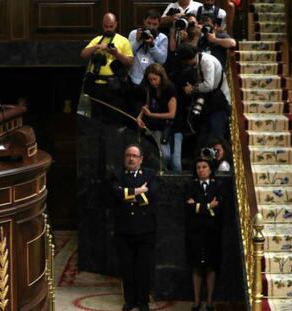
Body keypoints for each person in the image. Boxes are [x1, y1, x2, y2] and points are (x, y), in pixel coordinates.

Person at [111, 144, 158, 311]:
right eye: (128, 155)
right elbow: (115, 194)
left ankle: (143, 301)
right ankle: (130, 301)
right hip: (124, 229)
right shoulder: (117, 174)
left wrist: (128, 195)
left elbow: (151, 195)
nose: (131, 158)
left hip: (145, 230)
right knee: (127, 268)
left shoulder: (150, 175)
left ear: (141, 159)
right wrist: (139, 190)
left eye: (134, 156)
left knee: (143, 268)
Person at [80, 12, 134, 125]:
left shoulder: (123, 41)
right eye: (106, 26)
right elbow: (83, 55)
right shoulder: (97, 40)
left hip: (113, 87)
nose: (108, 29)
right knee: (95, 120)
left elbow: (129, 62)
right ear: (102, 25)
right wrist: (96, 47)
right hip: (95, 86)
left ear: (116, 24)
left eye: (111, 26)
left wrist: (116, 53)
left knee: (114, 120)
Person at [185, 157, 224, 311]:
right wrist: (208, 207)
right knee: (196, 266)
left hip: (212, 232)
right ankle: (196, 301)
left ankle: (209, 301)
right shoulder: (191, 186)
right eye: (198, 167)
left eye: (204, 167)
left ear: (210, 169)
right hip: (195, 231)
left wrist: (198, 207)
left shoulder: (217, 186)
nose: (201, 170)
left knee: (210, 266)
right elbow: (189, 208)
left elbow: (219, 208)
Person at [176, 43, 230, 150]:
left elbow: (208, 86)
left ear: (187, 59)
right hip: (208, 103)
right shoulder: (198, 62)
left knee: (216, 135)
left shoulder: (206, 61)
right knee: (203, 136)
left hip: (219, 102)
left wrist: (192, 88)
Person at [136, 63, 182, 171]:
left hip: (174, 127)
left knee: (176, 162)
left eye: (155, 79)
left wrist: (151, 115)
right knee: (164, 156)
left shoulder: (170, 88)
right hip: (158, 126)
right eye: (150, 80)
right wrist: (140, 117)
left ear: (161, 77)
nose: (153, 82)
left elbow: (172, 114)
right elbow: (147, 105)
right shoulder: (151, 88)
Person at [127, 9, 168, 118]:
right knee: (133, 111)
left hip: (152, 82)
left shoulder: (162, 38)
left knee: (149, 112)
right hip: (135, 78)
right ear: (144, 21)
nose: (151, 27)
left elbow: (162, 60)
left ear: (159, 24)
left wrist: (153, 45)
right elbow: (128, 54)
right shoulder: (134, 34)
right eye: (148, 23)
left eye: (154, 24)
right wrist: (137, 41)